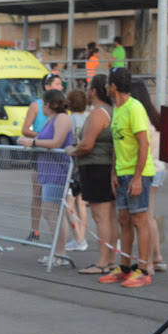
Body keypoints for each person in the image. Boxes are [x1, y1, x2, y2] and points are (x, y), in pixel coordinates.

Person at [99, 68, 155, 288]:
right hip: (122, 173)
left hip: (137, 172)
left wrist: (138, 177)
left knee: (140, 219)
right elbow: (116, 144)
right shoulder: (118, 109)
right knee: (124, 219)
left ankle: (142, 269)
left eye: (108, 84)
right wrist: (114, 172)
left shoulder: (135, 108)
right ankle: (124, 267)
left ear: (113, 86)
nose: (106, 87)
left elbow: (144, 144)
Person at [66, 74, 118, 275]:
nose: (87, 92)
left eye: (89, 88)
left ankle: (103, 261)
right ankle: (111, 259)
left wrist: (73, 150)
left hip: (96, 167)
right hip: (105, 167)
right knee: (110, 217)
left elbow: (87, 145)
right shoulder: (112, 111)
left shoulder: (98, 114)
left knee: (101, 217)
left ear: (95, 91)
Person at [18, 89, 73, 267]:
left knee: (52, 212)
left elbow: (57, 142)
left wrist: (32, 142)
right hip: (48, 170)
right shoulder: (52, 119)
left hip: (58, 171)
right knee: (52, 213)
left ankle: (60, 253)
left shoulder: (62, 118)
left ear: (49, 104)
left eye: (44, 104)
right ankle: (57, 252)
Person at [21, 72, 64, 241]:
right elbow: (25, 130)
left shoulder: (62, 107)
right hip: (39, 152)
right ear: (47, 87)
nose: (61, 87)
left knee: (59, 196)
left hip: (57, 154)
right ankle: (35, 230)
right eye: (57, 84)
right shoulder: (37, 106)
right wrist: (40, 137)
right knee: (38, 193)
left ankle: (62, 234)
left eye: (61, 84)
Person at [129, 81, 166, 274]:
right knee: (149, 214)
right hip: (159, 168)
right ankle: (157, 257)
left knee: (146, 217)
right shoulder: (156, 118)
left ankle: (149, 261)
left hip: (148, 169)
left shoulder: (142, 120)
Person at [64, 89, 89, 252]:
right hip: (85, 165)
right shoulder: (88, 118)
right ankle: (82, 236)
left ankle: (79, 238)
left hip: (73, 164)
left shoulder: (69, 120)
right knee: (81, 203)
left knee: (69, 202)